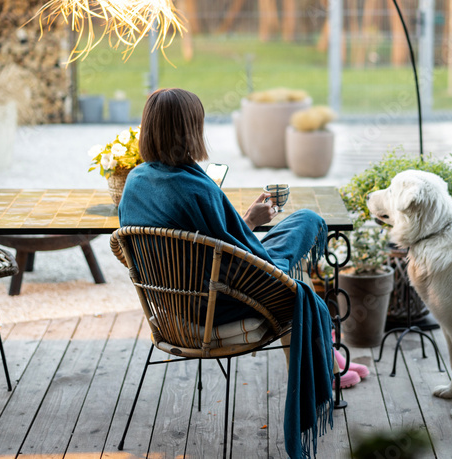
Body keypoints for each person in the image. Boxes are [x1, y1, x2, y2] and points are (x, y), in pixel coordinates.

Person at [118, 88, 333, 459]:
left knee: (294, 242)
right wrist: (253, 234)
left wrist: (246, 221)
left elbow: (216, 244)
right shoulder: (199, 189)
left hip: (175, 306)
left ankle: (319, 349)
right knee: (307, 225)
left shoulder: (135, 182)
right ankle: (324, 360)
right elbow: (247, 259)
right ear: (191, 130)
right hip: (225, 301)